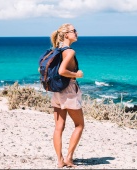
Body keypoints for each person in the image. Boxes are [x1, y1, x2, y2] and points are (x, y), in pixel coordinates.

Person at [50, 23, 84, 168]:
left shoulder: (56, 50)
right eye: (73, 31)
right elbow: (62, 71)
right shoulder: (69, 51)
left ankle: (60, 161)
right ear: (66, 35)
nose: (76, 32)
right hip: (68, 90)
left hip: (57, 90)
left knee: (59, 127)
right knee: (80, 125)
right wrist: (77, 74)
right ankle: (69, 158)